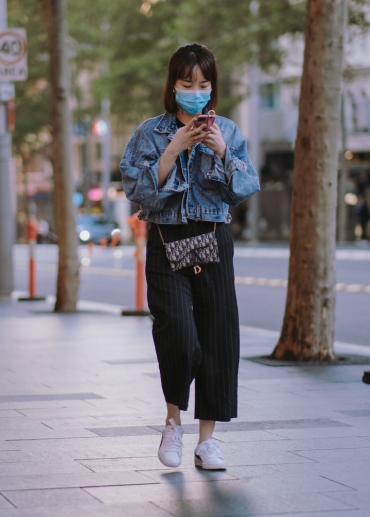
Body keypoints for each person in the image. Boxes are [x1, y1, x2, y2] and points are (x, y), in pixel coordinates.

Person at [120, 44, 259, 471]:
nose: (196, 91)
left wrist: (221, 151)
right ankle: (172, 423)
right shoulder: (149, 133)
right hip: (166, 240)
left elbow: (246, 187)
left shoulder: (229, 132)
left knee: (218, 339)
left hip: (214, 239)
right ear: (173, 86)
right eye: (187, 84)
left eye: (203, 84)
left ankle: (207, 441)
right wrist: (172, 150)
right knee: (178, 332)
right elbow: (136, 192)